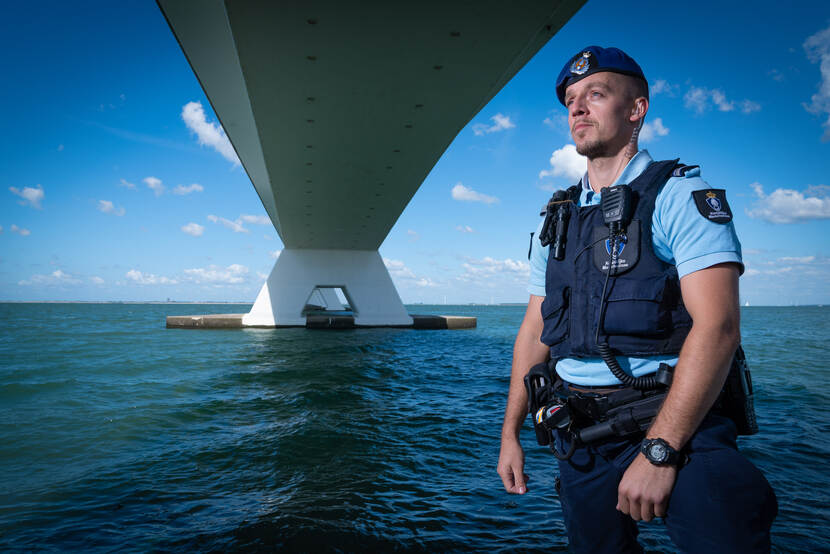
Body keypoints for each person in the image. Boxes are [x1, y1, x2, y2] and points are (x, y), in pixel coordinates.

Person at [496, 46, 777, 553]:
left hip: (673, 423)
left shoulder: (678, 196)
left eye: (596, 94)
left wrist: (660, 451)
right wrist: (509, 433)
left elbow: (718, 327)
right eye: (571, 100)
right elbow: (533, 329)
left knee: (725, 533)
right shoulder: (557, 219)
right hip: (580, 434)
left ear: (636, 109)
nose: (578, 108)